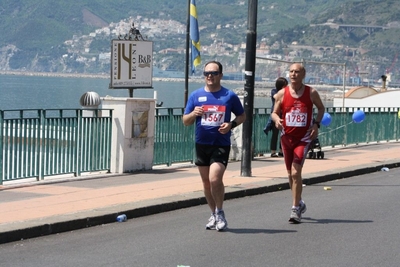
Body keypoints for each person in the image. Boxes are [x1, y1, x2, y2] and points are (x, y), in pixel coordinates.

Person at [182, 60, 246, 231]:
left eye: (213, 73)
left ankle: (220, 212)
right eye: (207, 73)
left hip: (220, 144)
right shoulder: (196, 96)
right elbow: (185, 121)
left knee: (215, 179)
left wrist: (231, 125)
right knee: (206, 183)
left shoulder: (229, 96)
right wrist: (194, 113)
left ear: (220, 75)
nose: (209, 76)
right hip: (201, 144)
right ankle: (213, 213)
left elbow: (242, 116)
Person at [271, 63, 325, 223]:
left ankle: (295, 209)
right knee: (290, 174)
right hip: (286, 137)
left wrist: (316, 124)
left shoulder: (311, 92)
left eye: (297, 72)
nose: (294, 74)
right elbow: (274, 112)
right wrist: (277, 120)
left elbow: (321, 109)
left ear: (303, 75)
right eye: (291, 71)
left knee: (295, 173)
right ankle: (299, 202)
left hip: (303, 138)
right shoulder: (281, 93)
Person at [269, 77, 288, 157]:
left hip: (284, 115)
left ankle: (281, 151)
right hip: (276, 115)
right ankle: (273, 151)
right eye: (285, 85)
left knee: (283, 134)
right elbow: (276, 97)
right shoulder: (274, 91)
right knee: (275, 134)